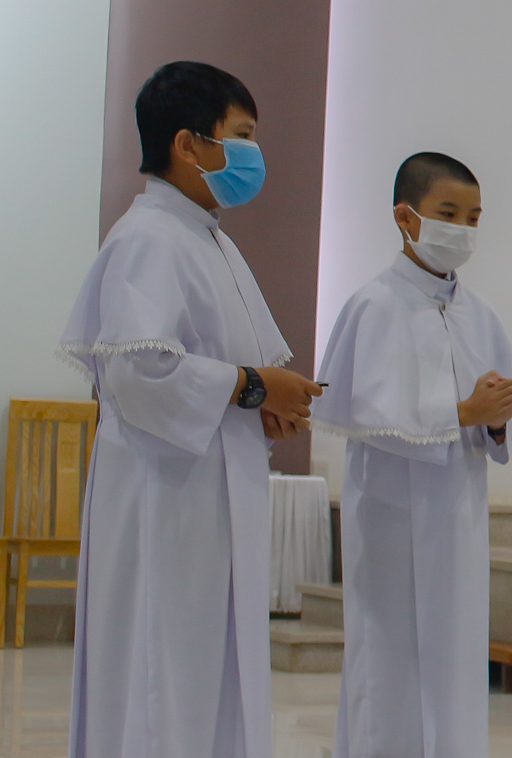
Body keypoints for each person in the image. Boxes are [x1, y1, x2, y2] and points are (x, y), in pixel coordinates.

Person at [59, 61, 323, 758]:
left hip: (208, 495)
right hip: (163, 498)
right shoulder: (148, 238)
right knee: (162, 673)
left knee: (209, 673)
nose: (253, 154)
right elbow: (136, 372)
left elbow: (236, 366)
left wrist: (268, 403)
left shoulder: (209, 239)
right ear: (187, 144)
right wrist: (256, 388)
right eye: (241, 135)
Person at [312, 152, 512, 758]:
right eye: (448, 214)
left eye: (473, 218)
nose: (462, 230)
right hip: (389, 513)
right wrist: (462, 412)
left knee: (454, 655)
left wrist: (497, 421)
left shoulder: (478, 313)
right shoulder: (373, 305)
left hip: (457, 512)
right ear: (405, 217)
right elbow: (369, 416)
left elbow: (492, 425)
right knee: (388, 657)